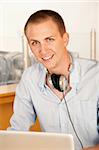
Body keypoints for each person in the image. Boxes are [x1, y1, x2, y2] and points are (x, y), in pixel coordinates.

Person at [8, 9, 99, 150]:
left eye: (49, 40)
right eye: (35, 43)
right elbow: (16, 132)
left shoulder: (95, 76)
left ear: (65, 39)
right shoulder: (29, 78)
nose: (43, 51)